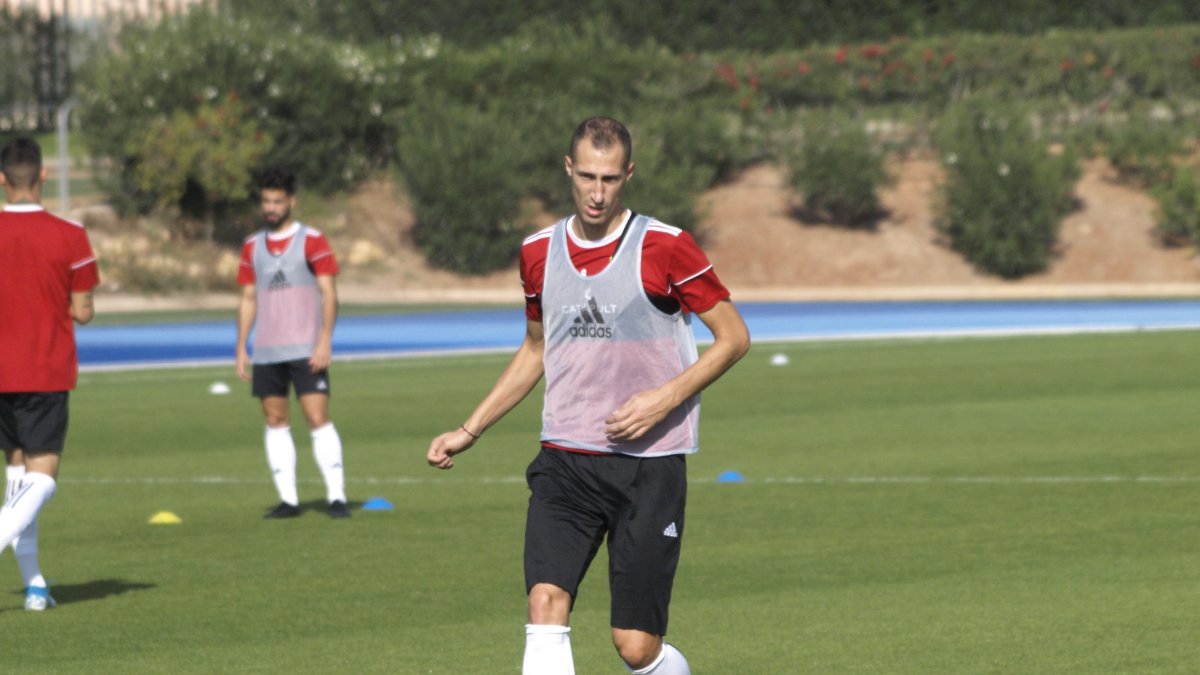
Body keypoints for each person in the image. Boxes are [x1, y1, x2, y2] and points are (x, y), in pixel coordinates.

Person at [427, 117, 750, 674]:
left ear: (629, 175)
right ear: (568, 169)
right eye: (587, 177)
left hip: (648, 467)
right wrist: (470, 428)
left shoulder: (666, 246)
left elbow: (734, 338)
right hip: (565, 461)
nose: (597, 193)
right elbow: (536, 348)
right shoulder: (537, 252)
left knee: (635, 646)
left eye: (609, 179)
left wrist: (663, 399)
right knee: (545, 602)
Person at [0, 136, 99, 611]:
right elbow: (83, 311)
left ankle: (35, 586)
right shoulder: (71, 235)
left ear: (2, 179)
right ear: (43, 175)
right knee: (43, 479)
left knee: (18, 479)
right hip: (44, 368)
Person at [236, 168, 349, 519]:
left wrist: (324, 340)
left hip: (306, 348)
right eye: (266, 201)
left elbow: (329, 293)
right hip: (267, 350)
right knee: (275, 419)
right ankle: (289, 500)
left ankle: (337, 497)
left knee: (317, 417)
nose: (271, 208)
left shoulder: (312, 240)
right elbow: (248, 298)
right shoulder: (252, 246)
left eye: (277, 201)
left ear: (291, 201)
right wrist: (241, 345)